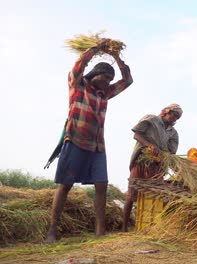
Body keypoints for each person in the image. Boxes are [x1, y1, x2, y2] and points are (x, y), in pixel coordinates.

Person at [46, 39, 133, 243]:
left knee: (101, 184)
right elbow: (79, 65)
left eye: (110, 80)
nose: (107, 82)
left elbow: (127, 81)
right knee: (65, 184)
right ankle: (52, 230)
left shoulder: (105, 93)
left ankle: (99, 231)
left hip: (97, 145)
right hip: (75, 139)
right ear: (94, 74)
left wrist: (117, 58)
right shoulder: (78, 85)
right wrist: (96, 49)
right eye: (104, 77)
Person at [122, 104, 183, 232]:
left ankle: (152, 227)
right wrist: (150, 146)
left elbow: (171, 152)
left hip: (157, 166)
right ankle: (124, 227)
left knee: (156, 195)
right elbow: (137, 135)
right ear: (166, 111)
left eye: (177, 117)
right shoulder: (151, 119)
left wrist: (164, 157)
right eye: (173, 115)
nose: (174, 119)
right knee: (131, 195)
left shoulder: (173, 133)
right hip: (141, 161)